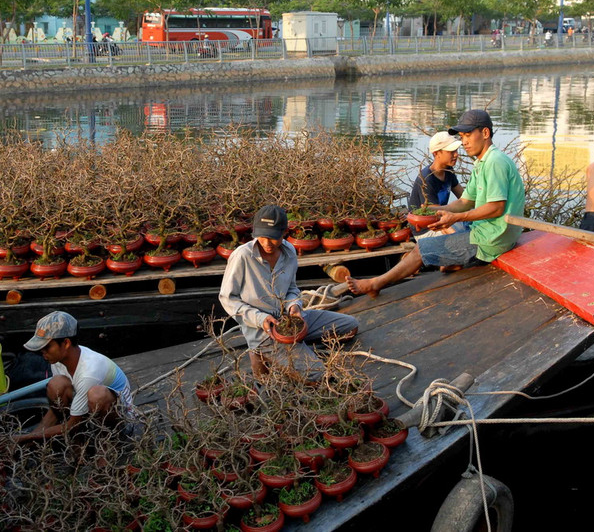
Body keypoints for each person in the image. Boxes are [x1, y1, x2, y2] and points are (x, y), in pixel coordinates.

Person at [347, 110, 525, 296]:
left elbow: (497, 208)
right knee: (452, 233)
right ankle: (452, 260)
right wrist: (442, 212)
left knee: (420, 250)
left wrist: (457, 217)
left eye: (468, 135)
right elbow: (466, 201)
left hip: (491, 240)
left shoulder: (495, 162)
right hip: (489, 232)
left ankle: (374, 284)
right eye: (462, 137)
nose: (464, 142)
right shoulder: (481, 163)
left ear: (485, 134)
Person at [219, 205, 358, 379]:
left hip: (289, 320)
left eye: (273, 238)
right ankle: (263, 351)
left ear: (284, 232)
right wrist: (260, 318)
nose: (267, 243)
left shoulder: (289, 251)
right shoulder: (242, 256)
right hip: (262, 329)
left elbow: (291, 288)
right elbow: (227, 298)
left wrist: (295, 306)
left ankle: (295, 346)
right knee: (316, 376)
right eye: (262, 237)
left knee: (349, 326)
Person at [13, 311, 134, 443]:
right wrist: (26, 439)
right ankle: (78, 444)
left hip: (120, 421)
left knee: (97, 395)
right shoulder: (58, 360)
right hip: (88, 413)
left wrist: (24, 438)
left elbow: (72, 425)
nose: (42, 352)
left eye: (47, 346)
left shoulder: (89, 371)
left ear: (66, 343)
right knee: (56, 384)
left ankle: (108, 444)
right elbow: (56, 409)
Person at [407, 131, 465, 210]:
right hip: (425, 220)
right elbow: (432, 210)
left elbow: (463, 196)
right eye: (451, 152)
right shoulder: (427, 178)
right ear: (436, 153)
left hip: (442, 216)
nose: (456, 155)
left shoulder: (448, 170)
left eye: (456, 150)